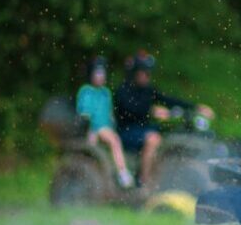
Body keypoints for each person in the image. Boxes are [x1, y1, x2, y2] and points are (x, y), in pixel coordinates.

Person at [113, 51, 214, 186]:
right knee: (153, 139)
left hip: (143, 129)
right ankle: (144, 181)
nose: (147, 76)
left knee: (169, 133)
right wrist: (151, 112)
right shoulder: (123, 90)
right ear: (135, 73)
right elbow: (128, 110)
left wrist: (196, 107)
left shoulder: (148, 90)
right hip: (126, 131)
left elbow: (169, 100)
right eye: (145, 72)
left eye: (149, 73)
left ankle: (165, 174)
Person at [75, 57, 135, 188]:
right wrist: (92, 129)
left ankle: (121, 171)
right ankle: (122, 172)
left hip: (105, 127)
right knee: (111, 141)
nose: (101, 77)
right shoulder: (86, 91)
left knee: (114, 140)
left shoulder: (105, 93)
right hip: (93, 127)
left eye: (102, 73)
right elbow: (84, 113)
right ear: (91, 75)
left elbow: (109, 114)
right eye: (97, 73)